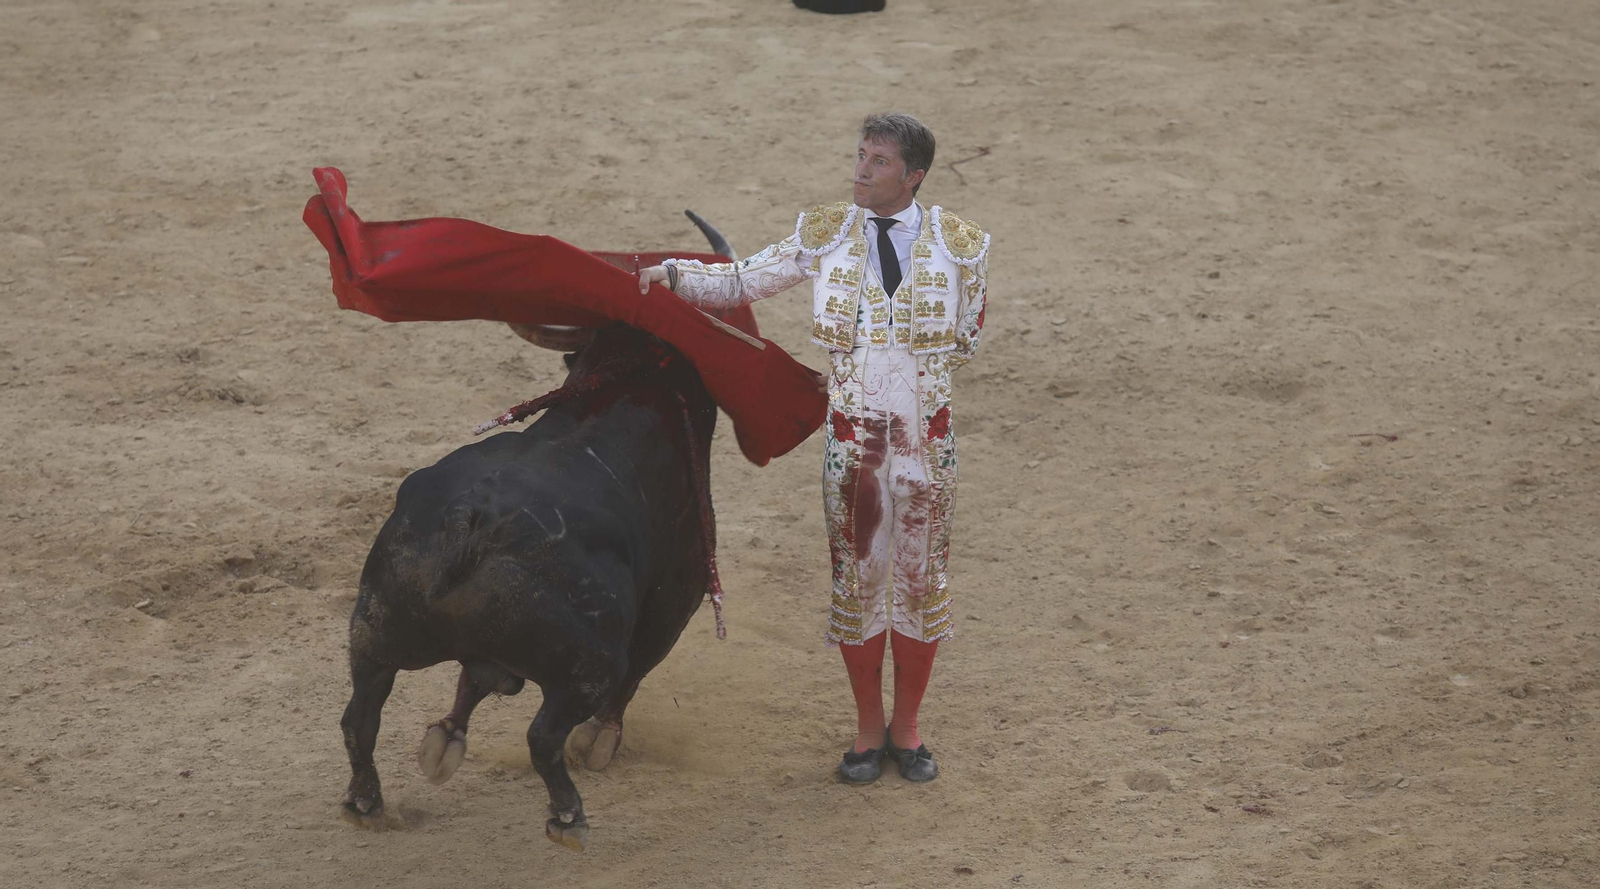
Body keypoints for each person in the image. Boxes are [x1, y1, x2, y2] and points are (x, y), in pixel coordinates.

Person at [638, 112, 989, 784]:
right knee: (857, 587)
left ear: (913, 175)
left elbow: (971, 334)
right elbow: (742, 280)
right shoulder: (826, 233)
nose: (860, 169)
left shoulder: (961, 245)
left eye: (878, 161)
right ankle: (867, 730)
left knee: (920, 585)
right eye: (859, 155)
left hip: (925, 448)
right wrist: (673, 275)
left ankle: (907, 729)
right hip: (855, 446)